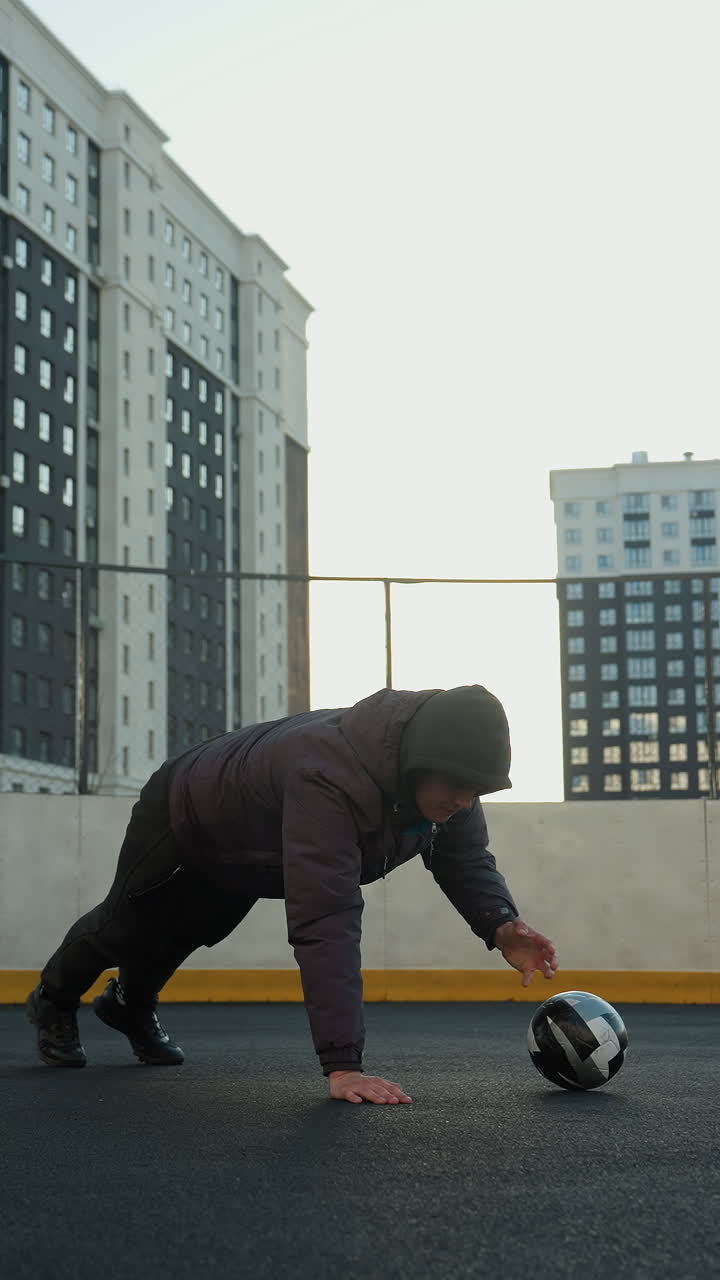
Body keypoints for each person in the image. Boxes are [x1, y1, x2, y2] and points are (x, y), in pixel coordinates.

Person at [27, 684, 558, 1104]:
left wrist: (501, 924)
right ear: (419, 764)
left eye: (478, 791)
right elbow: (326, 916)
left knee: (193, 928)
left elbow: (464, 858)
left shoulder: (450, 784)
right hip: (189, 807)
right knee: (128, 923)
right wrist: (343, 1064)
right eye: (460, 788)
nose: (467, 802)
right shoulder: (328, 776)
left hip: (257, 842)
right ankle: (53, 1000)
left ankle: (130, 1007)